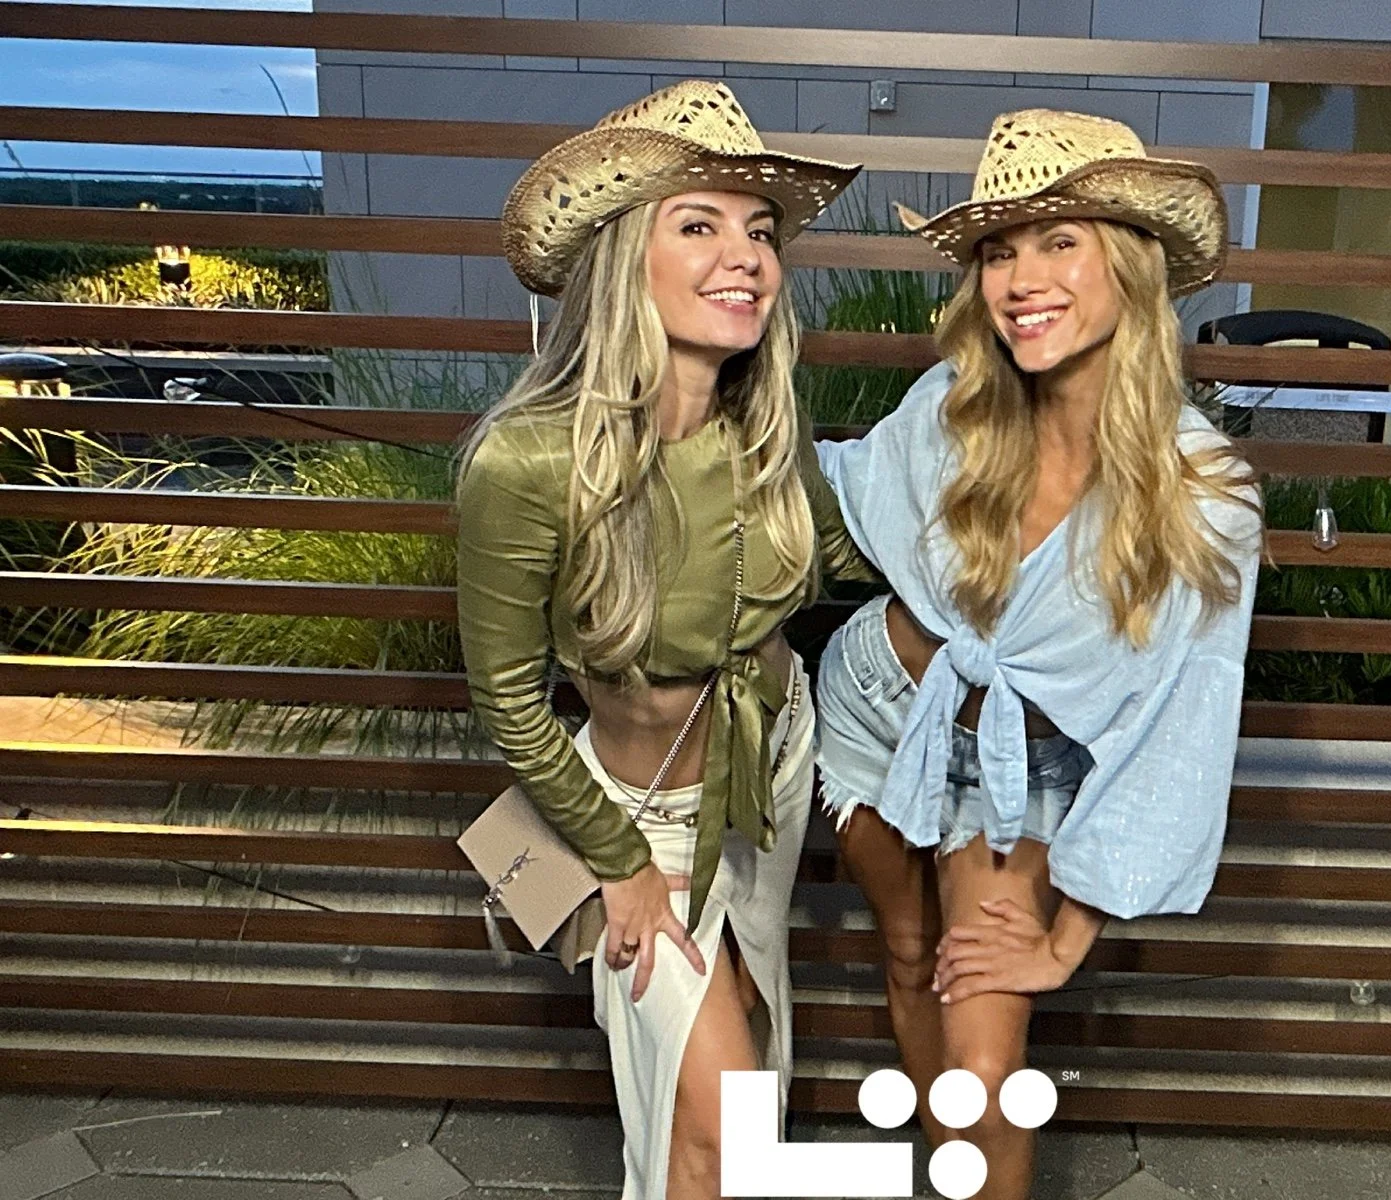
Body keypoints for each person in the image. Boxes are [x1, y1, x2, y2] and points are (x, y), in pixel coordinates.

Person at [813, 108, 1263, 1198]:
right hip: (876, 710)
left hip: (1022, 778)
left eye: (1060, 241)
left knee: (986, 1058)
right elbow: (835, 493)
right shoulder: (953, 408)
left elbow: (1180, 731)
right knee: (908, 955)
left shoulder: (1207, 497)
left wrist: (1067, 939)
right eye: (1000, 250)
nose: (1022, 278)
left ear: (1131, 266)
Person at [456, 80, 867, 1200]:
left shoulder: (769, 434)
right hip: (640, 823)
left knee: (722, 1125)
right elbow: (505, 698)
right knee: (735, 1125)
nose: (747, 256)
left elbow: (848, 567)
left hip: (769, 783)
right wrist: (620, 864)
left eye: (761, 230)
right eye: (701, 223)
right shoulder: (528, 462)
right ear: (625, 255)